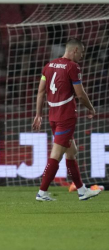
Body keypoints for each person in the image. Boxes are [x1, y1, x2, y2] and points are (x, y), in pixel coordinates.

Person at [32, 38, 101, 201]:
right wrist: (91, 108)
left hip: (53, 116)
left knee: (72, 152)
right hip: (66, 117)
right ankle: (42, 193)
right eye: (82, 53)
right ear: (75, 50)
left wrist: (38, 114)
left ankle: (82, 191)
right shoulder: (72, 67)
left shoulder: (48, 66)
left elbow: (41, 92)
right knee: (56, 154)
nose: (82, 57)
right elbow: (80, 94)